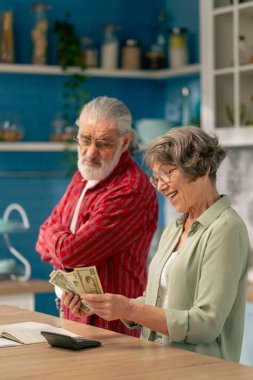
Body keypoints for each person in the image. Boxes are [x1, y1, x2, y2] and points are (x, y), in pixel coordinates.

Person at [62, 126, 251, 362]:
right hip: (156, 360)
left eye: (168, 173)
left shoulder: (226, 229)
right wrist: (107, 305)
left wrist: (129, 309)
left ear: (203, 168)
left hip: (201, 369)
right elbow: (160, 301)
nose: (160, 186)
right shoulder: (174, 228)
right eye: (156, 177)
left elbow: (206, 324)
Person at [36, 96, 158, 337]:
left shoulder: (130, 190)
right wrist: (64, 247)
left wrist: (59, 241)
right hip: (74, 320)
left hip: (116, 331)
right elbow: (41, 239)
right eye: (85, 140)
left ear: (125, 142)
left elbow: (70, 252)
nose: (91, 153)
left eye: (103, 143)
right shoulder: (82, 176)